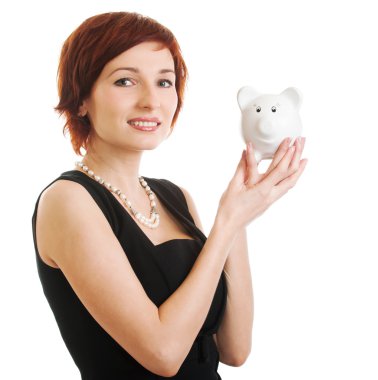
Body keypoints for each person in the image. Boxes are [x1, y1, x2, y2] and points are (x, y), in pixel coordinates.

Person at [31, 11, 307, 380]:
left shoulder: (175, 198)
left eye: (165, 82)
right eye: (126, 81)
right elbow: (163, 354)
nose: (151, 101)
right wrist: (225, 224)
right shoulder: (68, 200)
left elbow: (235, 349)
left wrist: (239, 218)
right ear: (81, 99)